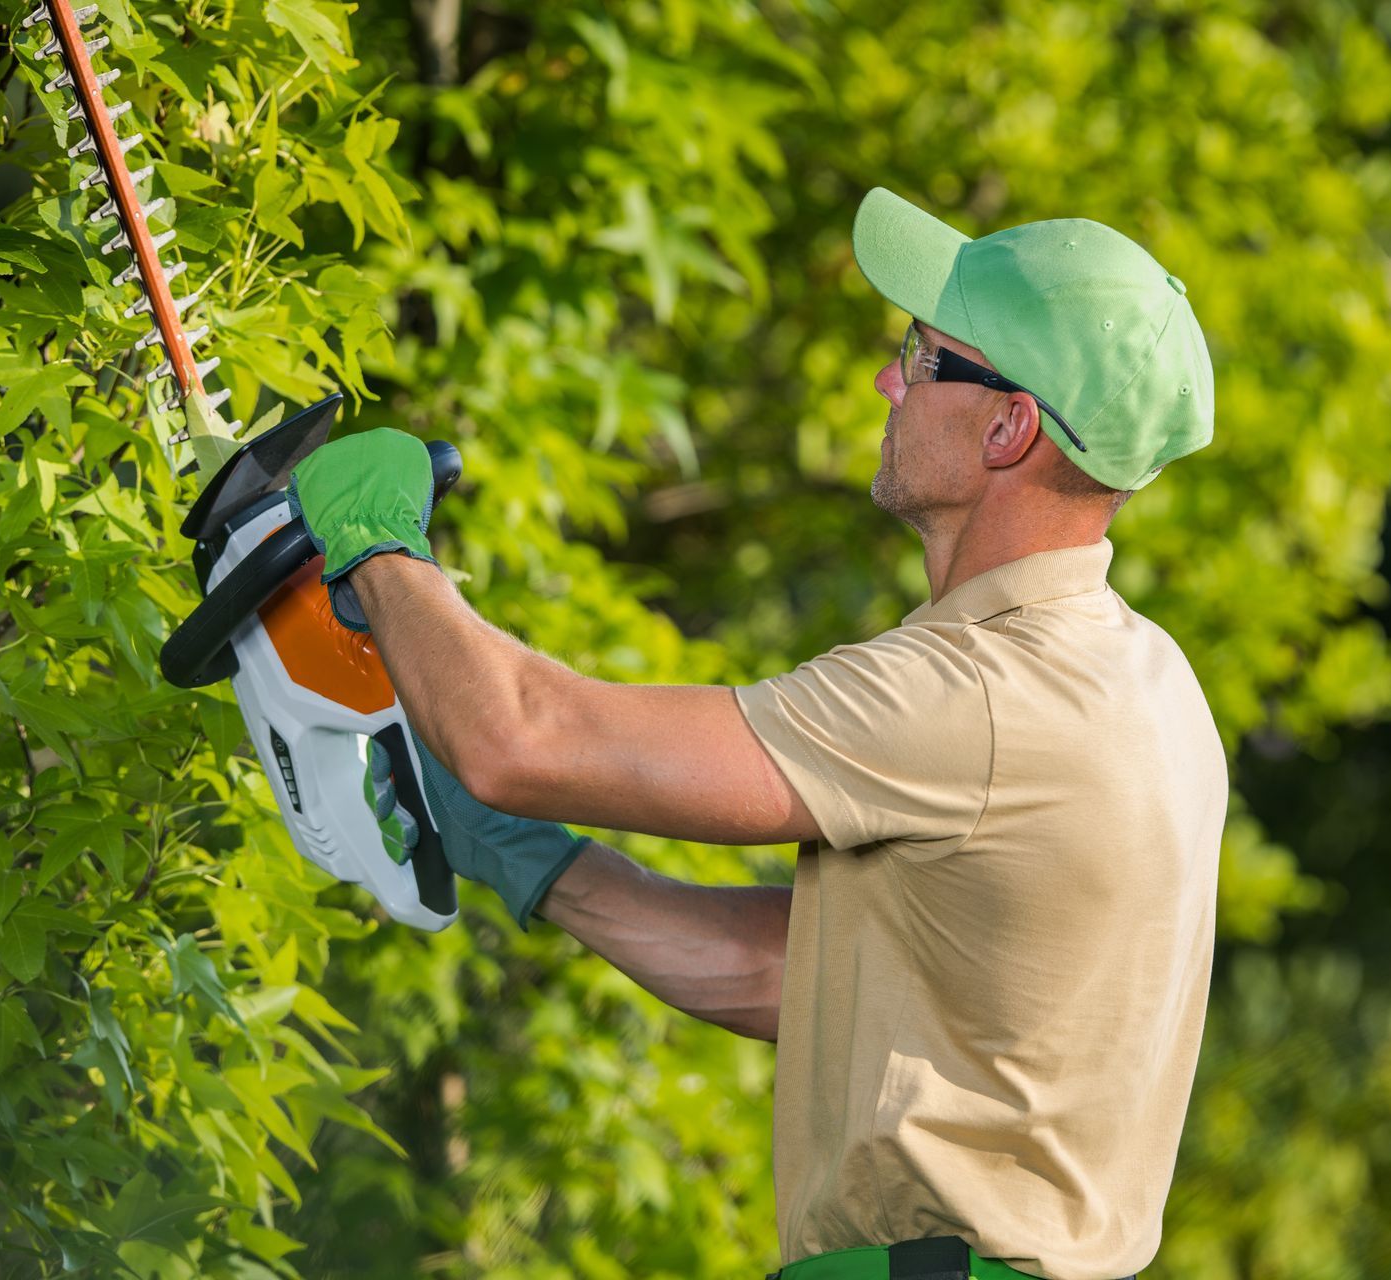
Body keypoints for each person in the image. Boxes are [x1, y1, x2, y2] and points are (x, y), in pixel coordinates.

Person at [287, 187, 1226, 1280]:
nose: (889, 379)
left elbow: (520, 734)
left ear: (1009, 425)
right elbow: (803, 981)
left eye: (922, 357)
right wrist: (529, 853)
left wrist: (379, 547)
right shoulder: (1147, 680)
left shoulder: (977, 696)